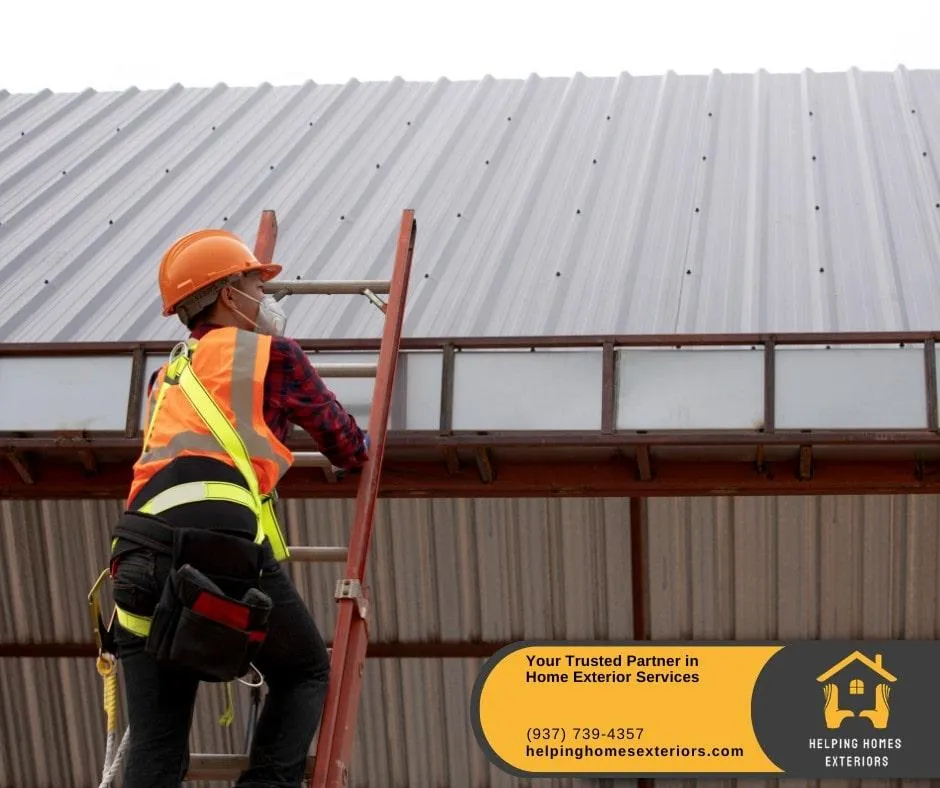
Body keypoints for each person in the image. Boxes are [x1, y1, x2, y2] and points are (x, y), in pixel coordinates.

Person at [108, 228, 370, 787]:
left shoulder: (166, 377)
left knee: (155, 748)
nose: (266, 296)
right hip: (216, 548)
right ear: (229, 293)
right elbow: (346, 444)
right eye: (256, 282)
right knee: (304, 672)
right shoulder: (270, 357)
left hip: (136, 559)